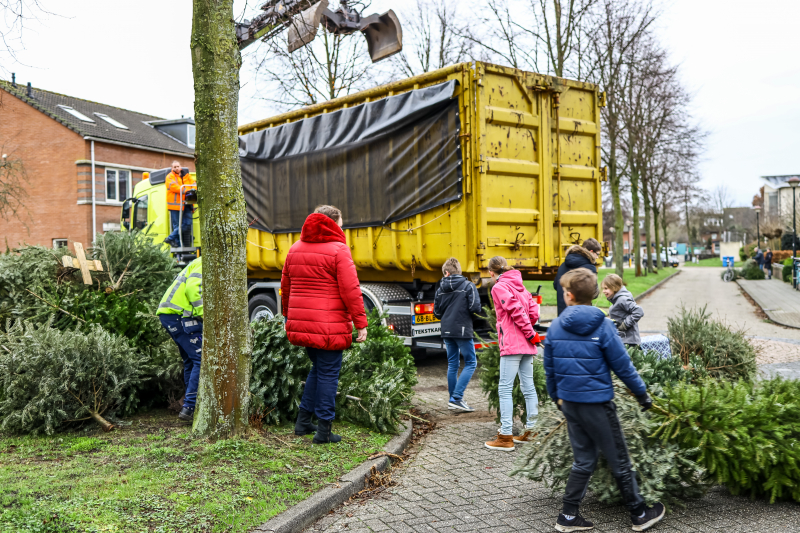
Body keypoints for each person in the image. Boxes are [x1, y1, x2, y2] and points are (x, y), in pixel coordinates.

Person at [545, 268, 665, 532]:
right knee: (619, 459)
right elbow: (622, 366)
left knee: (584, 460)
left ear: (568, 295)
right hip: (598, 404)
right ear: (595, 295)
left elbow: (549, 370)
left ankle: (567, 516)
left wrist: (558, 400)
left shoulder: (555, 326)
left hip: (571, 404)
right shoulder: (603, 325)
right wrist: (642, 395)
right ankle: (639, 513)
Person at [281, 205, 368, 444]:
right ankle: (324, 431)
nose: (342, 228)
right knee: (329, 374)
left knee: (317, 371)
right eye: (340, 223)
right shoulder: (339, 250)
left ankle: (303, 422)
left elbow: (286, 288)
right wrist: (361, 323)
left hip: (304, 326)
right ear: (330, 223)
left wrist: (288, 317)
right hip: (329, 327)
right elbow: (351, 290)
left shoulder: (295, 249)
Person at [484, 256, 541, 451]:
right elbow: (533, 313)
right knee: (528, 387)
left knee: (505, 388)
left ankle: (506, 436)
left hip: (512, 343)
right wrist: (531, 333)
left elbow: (515, 310)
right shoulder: (521, 287)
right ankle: (531, 431)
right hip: (526, 345)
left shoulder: (499, 287)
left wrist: (529, 332)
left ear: (492, 272)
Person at [156, 257, 203, 422]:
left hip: (172, 314)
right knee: (201, 359)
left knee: (191, 360)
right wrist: (204, 314)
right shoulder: (207, 262)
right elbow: (193, 288)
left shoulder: (199, 261)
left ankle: (189, 407)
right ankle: (190, 407)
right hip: (178, 315)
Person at [433, 257, 481, 412]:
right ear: (458, 271)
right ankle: (457, 398)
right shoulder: (468, 286)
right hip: (463, 330)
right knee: (471, 362)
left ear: (446, 273)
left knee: (453, 364)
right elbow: (475, 307)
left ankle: (452, 399)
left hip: (447, 330)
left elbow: (437, 313)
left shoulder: (440, 289)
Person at [553, 239, 601, 316]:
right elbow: (594, 293)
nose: (597, 257)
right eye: (597, 254)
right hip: (582, 314)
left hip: (563, 313)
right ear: (591, 251)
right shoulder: (590, 267)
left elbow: (556, 285)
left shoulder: (563, 265)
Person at [602, 273, 644, 348]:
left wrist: (625, 325)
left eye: (606, 288)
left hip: (629, 342)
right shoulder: (616, 300)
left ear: (614, 287)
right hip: (623, 340)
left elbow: (638, 311)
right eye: (603, 288)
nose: (603, 291)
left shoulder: (622, 299)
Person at [164, 160, 196, 248]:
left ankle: (171, 238)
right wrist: (186, 190)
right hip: (175, 205)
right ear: (172, 168)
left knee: (187, 224)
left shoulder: (187, 176)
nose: (176, 168)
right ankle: (177, 243)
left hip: (187, 204)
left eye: (177, 166)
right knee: (177, 225)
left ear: (180, 167)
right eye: (174, 167)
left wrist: (192, 190)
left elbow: (194, 184)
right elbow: (173, 187)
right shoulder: (169, 176)